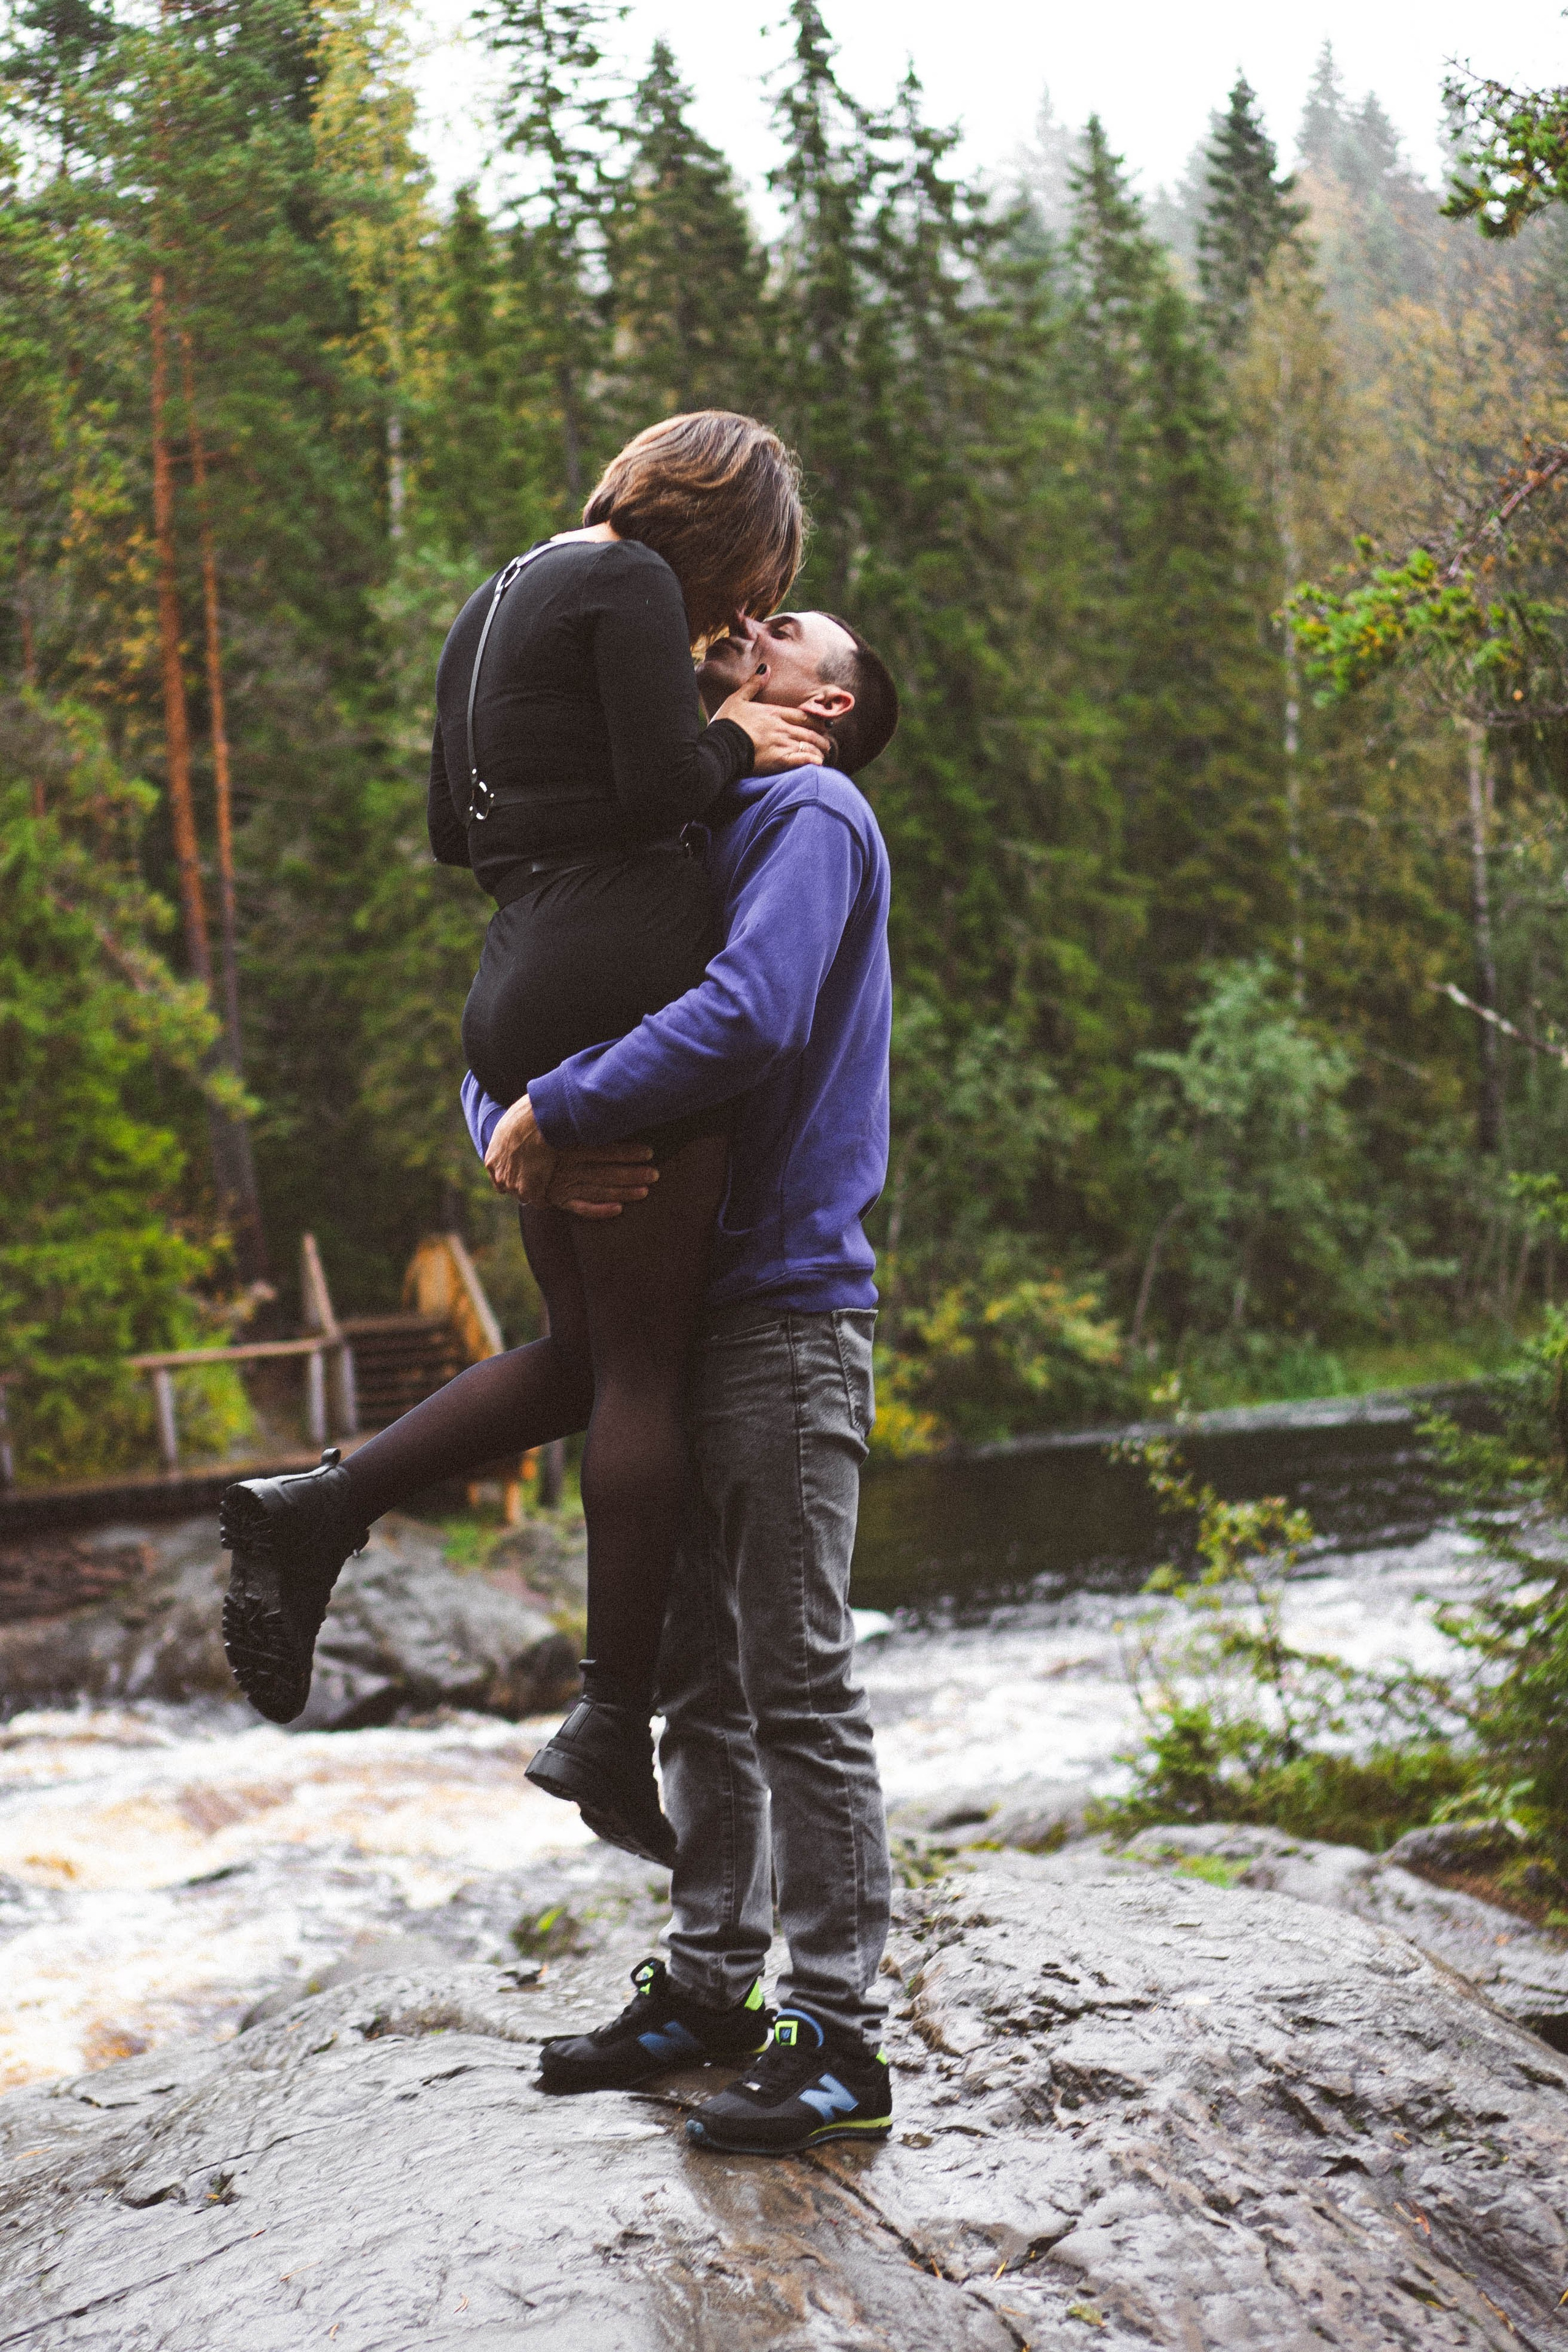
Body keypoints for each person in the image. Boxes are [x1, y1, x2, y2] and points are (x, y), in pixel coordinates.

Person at [219, 412, 831, 1871]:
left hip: (517, 978)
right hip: (616, 966)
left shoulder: (497, 595)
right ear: (714, 522)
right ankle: (608, 1715)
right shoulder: (626, 585)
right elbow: (660, 794)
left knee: (578, 1354)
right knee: (639, 1372)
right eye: (746, 583)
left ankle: (326, 1504)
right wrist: (730, 736)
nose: (740, 617)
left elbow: (453, 829)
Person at [475, 608, 903, 2157]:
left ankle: (841, 2039)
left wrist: (558, 1105)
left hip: (784, 1305)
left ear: (825, 699)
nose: (747, 628)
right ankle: (714, 1991)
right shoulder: (678, 819)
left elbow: (750, 1013)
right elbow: (531, 988)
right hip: (672, 1316)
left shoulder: (808, 810)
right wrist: (505, 1117)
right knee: (697, 1685)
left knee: (792, 1676)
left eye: (783, 628)